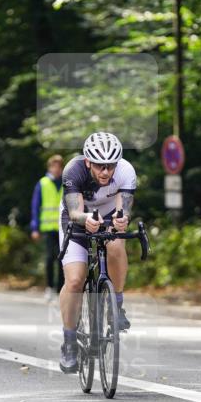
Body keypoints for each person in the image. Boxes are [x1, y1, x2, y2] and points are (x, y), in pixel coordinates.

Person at [57, 132, 136, 374]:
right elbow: (75, 212)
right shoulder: (74, 170)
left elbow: (124, 210)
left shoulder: (126, 171)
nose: (105, 172)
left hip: (109, 217)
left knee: (115, 245)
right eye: (100, 166)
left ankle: (117, 305)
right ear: (88, 162)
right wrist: (86, 220)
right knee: (75, 280)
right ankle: (69, 342)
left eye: (110, 166)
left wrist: (122, 221)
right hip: (78, 218)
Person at [29, 154, 64, 301]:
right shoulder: (43, 183)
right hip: (49, 227)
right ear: (49, 167)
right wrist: (35, 228)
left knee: (63, 259)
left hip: (64, 227)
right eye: (54, 166)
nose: (56, 169)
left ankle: (61, 288)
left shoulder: (66, 183)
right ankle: (50, 287)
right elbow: (35, 207)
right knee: (50, 257)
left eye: (59, 166)